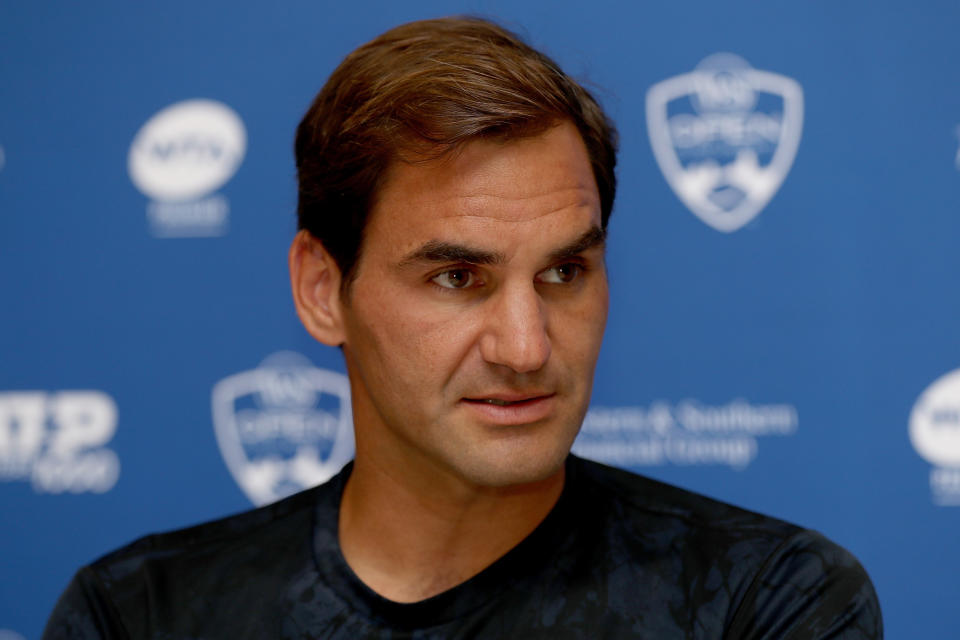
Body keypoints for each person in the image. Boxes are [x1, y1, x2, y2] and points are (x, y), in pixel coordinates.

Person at [44, 17, 882, 639]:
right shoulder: (140, 614)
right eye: (456, 278)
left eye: (564, 272)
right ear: (322, 288)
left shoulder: (765, 602)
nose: (526, 348)